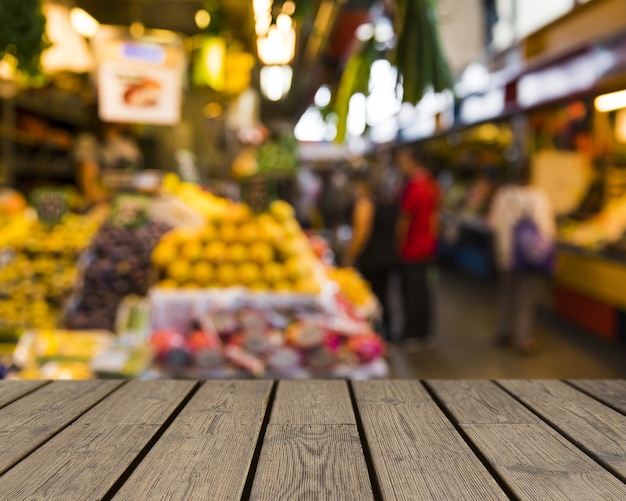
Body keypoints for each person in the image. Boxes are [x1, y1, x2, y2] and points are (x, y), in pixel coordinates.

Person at [487, 159, 556, 355]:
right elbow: (547, 229)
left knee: (507, 294)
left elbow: (492, 224)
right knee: (527, 297)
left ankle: (503, 331)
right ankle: (523, 338)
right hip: (530, 257)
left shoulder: (503, 194)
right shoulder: (538, 196)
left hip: (506, 254)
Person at [342, 170, 400, 340]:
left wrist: (349, 255)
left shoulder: (364, 204)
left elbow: (361, 233)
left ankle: (378, 334)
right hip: (388, 256)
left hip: (372, 258)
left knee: (373, 297)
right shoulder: (387, 201)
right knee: (385, 294)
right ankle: (389, 332)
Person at [395, 146, 441, 350]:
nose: (400, 164)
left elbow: (404, 219)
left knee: (411, 292)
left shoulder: (414, 186)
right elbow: (436, 216)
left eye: (403, 160)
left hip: (412, 248)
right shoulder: (432, 184)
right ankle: (425, 333)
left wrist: (398, 244)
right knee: (424, 291)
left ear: (413, 161)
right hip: (427, 246)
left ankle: (412, 334)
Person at [73, 106, 143, 205]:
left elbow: (137, 178)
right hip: (101, 209)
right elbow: (91, 190)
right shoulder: (88, 141)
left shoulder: (129, 141)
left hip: (131, 205)